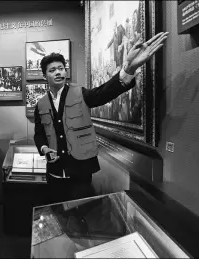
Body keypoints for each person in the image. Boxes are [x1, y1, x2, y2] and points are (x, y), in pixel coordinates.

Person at [34, 32, 169, 204]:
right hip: (54, 174)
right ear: (44, 76)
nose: (58, 72)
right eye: (52, 70)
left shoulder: (80, 94)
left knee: (82, 216)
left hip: (80, 173)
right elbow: (38, 134)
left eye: (61, 68)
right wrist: (44, 149)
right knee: (59, 217)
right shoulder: (41, 104)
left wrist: (128, 69)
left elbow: (104, 92)